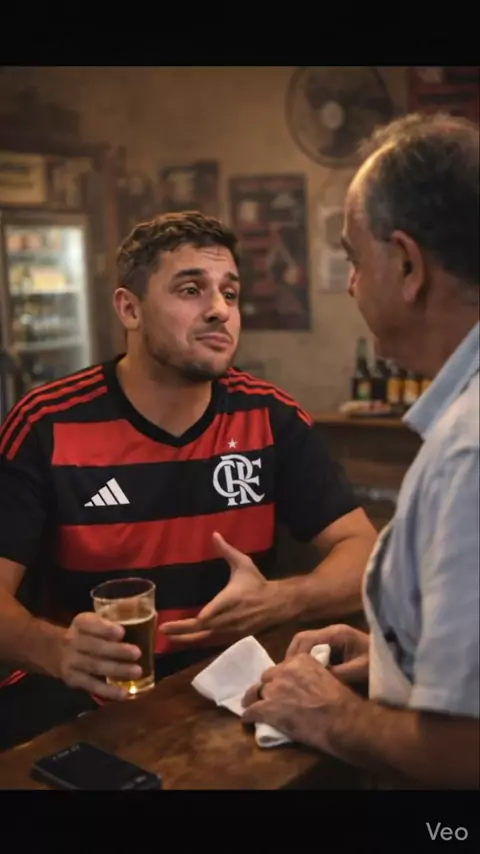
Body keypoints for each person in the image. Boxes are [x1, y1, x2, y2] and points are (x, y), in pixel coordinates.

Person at [0, 211, 376, 751]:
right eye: (191, 289)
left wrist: (282, 599)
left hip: (228, 703)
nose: (219, 309)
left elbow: (362, 551)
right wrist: (58, 650)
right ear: (129, 309)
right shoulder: (47, 423)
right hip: (82, 710)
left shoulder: (271, 418)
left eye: (230, 292)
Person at [242, 113, 480, 789]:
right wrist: (390, 660)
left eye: (353, 258)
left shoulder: (468, 455)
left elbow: (465, 752)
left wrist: (332, 715)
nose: (349, 284)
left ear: (407, 265)